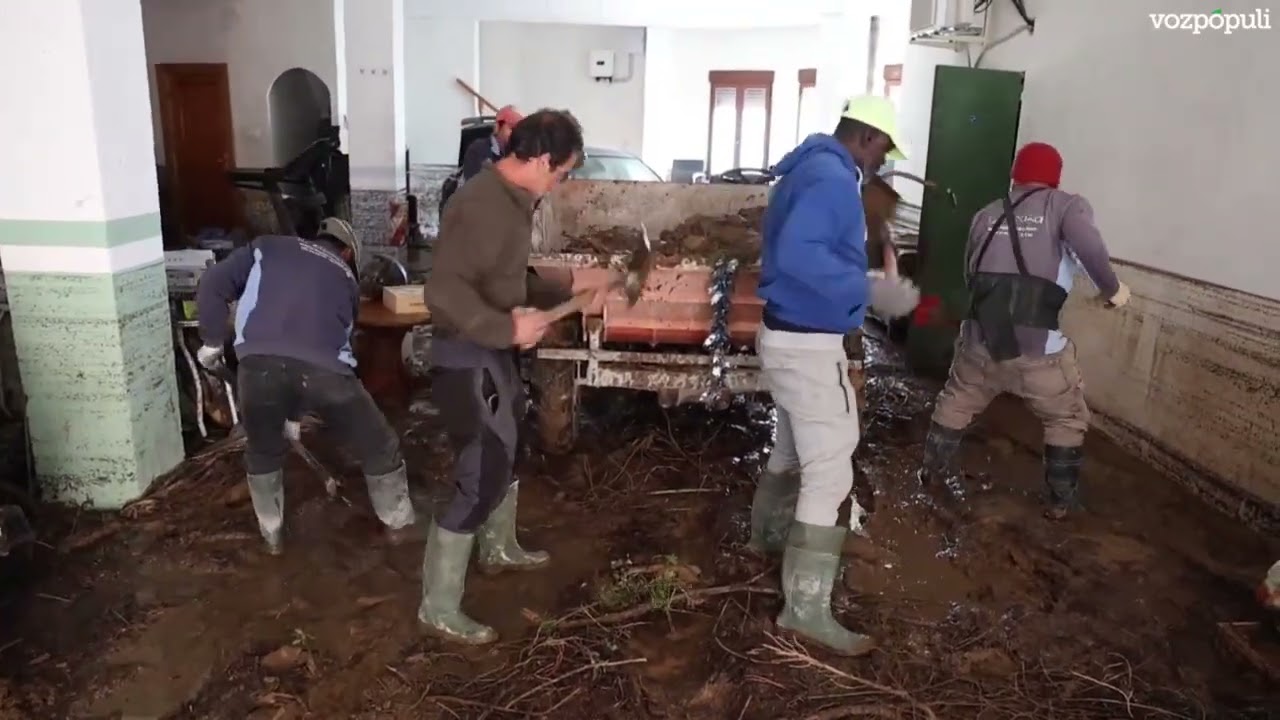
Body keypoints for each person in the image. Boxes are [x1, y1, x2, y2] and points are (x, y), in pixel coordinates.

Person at [419, 109, 612, 645]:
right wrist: (505, 327)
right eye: (563, 172)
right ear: (543, 160)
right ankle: (437, 606)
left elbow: (506, 279)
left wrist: (567, 295)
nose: (561, 183)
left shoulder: (513, 202)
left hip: (492, 353)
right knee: (481, 471)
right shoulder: (481, 205)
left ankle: (498, 547)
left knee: (508, 447)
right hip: (466, 354)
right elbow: (444, 292)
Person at [751, 96, 920, 656]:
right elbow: (799, 255)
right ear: (867, 136)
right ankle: (804, 609)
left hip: (787, 332)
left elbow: (804, 250)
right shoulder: (830, 177)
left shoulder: (811, 167)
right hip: (808, 344)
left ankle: (768, 537)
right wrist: (869, 288)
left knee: (793, 446)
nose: (883, 160)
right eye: (884, 148)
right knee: (830, 469)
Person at [916, 142, 1130, 520]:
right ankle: (1061, 501)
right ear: (1055, 178)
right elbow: (1089, 246)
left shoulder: (986, 214)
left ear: (1015, 175)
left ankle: (932, 473)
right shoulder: (1065, 206)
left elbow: (970, 274)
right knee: (1065, 417)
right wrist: (1113, 290)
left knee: (957, 399)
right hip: (1037, 353)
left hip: (980, 342)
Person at [194, 218, 420, 554]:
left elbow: (213, 282)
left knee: (263, 450)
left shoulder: (267, 246)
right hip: (326, 371)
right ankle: (400, 532)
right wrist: (303, 402)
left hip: (257, 365)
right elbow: (335, 343)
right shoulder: (347, 279)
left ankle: (272, 541)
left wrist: (212, 340)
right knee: (380, 445)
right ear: (347, 253)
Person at [462, 105, 523, 182]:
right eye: (512, 128)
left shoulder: (520, 151)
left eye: (518, 129)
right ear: (498, 127)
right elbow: (475, 184)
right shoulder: (477, 150)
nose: (515, 133)